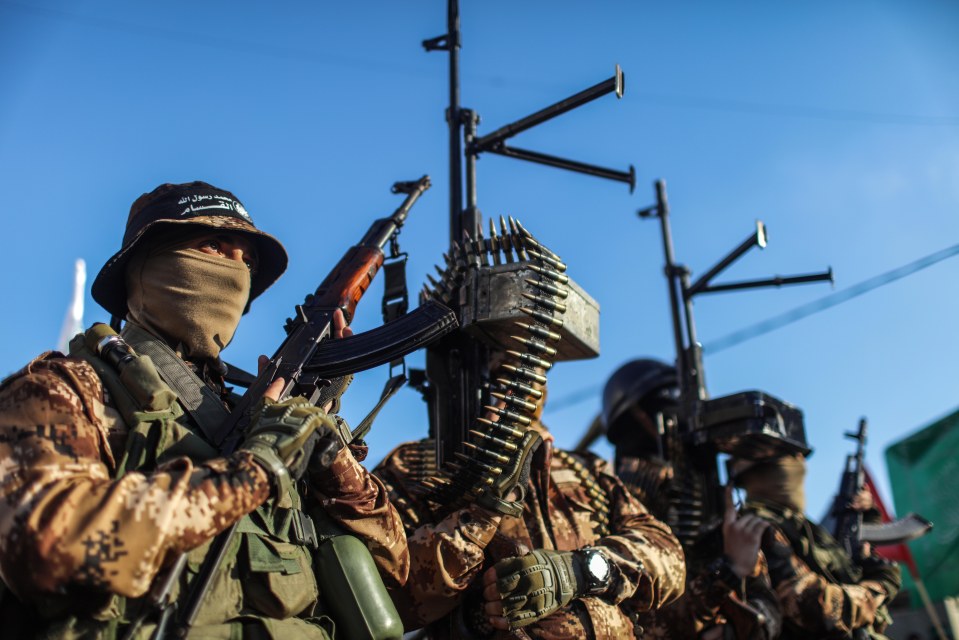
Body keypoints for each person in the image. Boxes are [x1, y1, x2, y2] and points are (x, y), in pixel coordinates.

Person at [0, 181, 408, 638]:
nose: (236, 270)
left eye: (247, 261)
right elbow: (47, 547)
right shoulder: (68, 392)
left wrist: (321, 439)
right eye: (214, 246)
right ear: (147, 265)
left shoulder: (256, 416)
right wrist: (254, 471)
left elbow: (395, 573)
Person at [374, 373, 686, 639]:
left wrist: (580, 570)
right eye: (494, 376)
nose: (506, 391)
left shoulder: (584, 470)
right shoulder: (416, 470)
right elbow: (383, 597)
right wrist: (482, 514)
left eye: (519, 372)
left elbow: (669, 556)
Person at [600, 358, 782, 640]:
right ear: (636, 417)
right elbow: (630, 616)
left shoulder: (709, 493)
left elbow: (767, 605)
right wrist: (728, 571)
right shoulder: (613, 496)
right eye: (666, 407)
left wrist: (738, 628)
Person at [731, 452, 902, 639]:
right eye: (792, 457)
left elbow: (838, 568)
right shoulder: (756, 528)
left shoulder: (799, 525)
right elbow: (815, 607)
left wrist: (867, 517)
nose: (801, 462)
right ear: (768, 471)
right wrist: (881, 586)